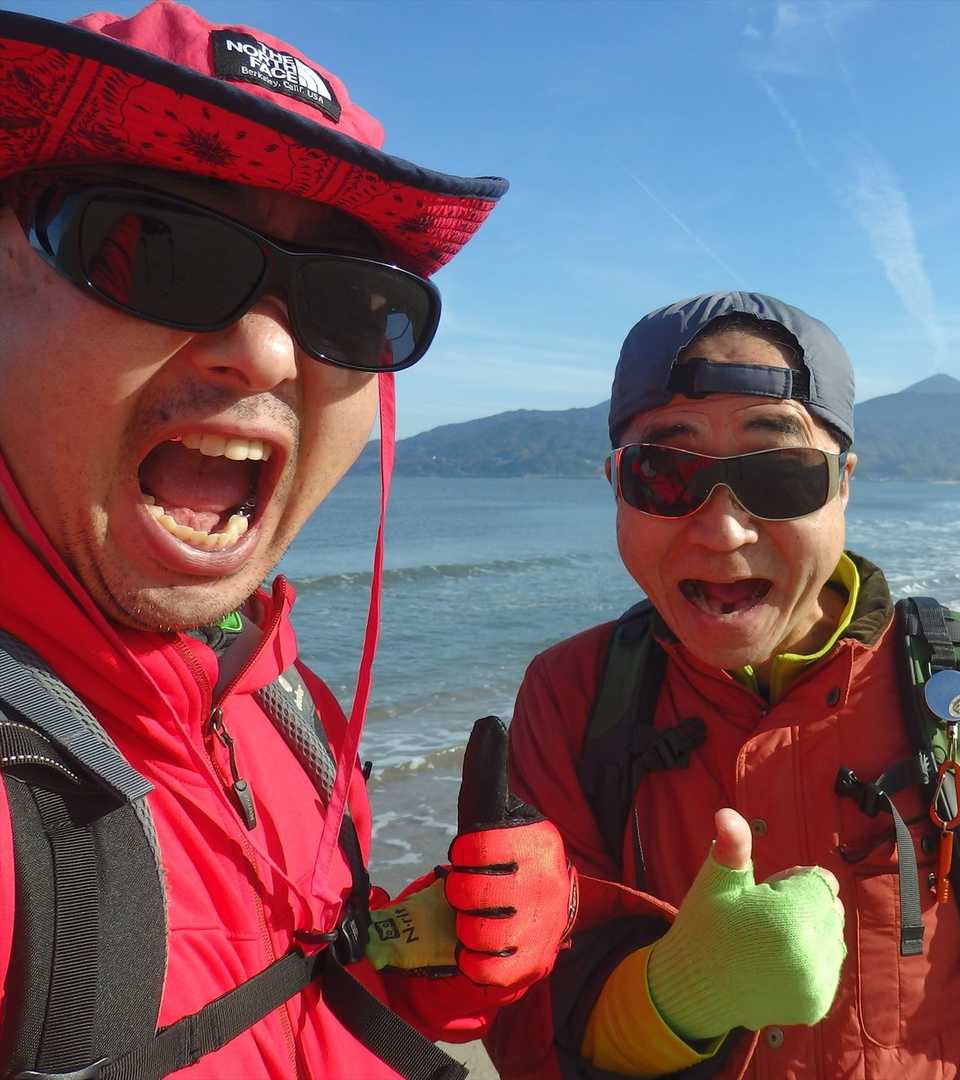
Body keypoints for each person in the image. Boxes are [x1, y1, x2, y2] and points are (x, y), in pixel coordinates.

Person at [0, 3, 575, 1078]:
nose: (267, 354)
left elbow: (294, 981)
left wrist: (443, 952)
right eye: (159, 250)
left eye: (352, 305)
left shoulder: (273, 693)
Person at [483, 292, 960, 1078]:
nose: (724, 530)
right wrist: (671, 998)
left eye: (780, 476)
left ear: (844, 485)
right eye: (665, 474)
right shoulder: (573, 699)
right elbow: (526, 1018)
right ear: (617, 486)